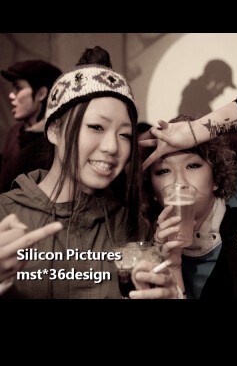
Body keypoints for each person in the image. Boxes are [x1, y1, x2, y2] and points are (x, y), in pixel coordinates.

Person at [0, 46, 178, 299]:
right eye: (96, 127)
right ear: (54, 130)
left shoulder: (133, 228)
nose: (112, 147)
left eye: (124, 135)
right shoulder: (5, 216)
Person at [139, 84, 237, 299]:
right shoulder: (142, 244)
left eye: (193, 166)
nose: (180, 182)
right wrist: (171, 266)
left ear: (216, 177)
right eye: (164, 171)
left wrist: (196, 131)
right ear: (152, 190)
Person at [0, 60, 62, 193]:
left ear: (41, 94)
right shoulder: (14, 132)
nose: (11, 95)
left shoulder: (53, 142)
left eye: (18, 88)